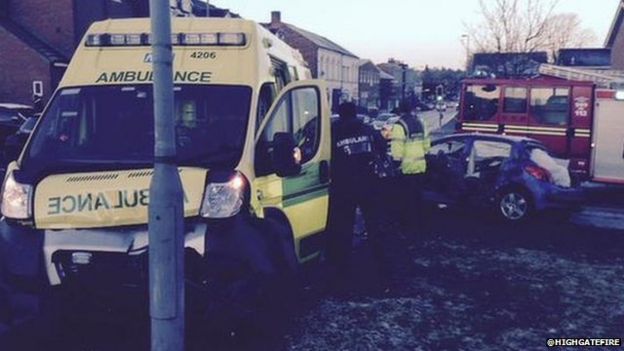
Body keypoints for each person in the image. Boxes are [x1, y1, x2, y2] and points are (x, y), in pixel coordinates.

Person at [326, 102, 388, 288]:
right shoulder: (368, 129)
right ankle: (379, 267)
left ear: (340, 114)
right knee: (373, 225)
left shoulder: (333, 131)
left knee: (343, 228)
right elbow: (382, 148)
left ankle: (342, 270)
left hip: (343, 186)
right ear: (355, 113)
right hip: (369, 184)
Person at [390, 105, 431, 232]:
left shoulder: (399, 125)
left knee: (406, 198)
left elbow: (397, 146)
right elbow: (426, 144)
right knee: (418, 195)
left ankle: (408, 224)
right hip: (420, 164)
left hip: (407, 167)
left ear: (401, 112)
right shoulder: (420, 122)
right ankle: (420, 222)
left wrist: (396, 163)